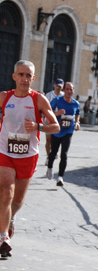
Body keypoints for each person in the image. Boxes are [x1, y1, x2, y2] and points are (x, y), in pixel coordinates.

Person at [0, 60, 60, 257]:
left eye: (28, 76)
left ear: (33, 79)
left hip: (28, 155)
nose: (25, 79)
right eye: (21, 75)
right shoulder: (4, 97)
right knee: (6, 192)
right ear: (14, 77)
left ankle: (9, 219)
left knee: (17, 200)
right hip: (5, 152)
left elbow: (56, 126)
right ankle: (3, 238)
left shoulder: (39, 100)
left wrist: (38, 127)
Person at [46, 81, 80, 187]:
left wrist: (77, 122)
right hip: (57, 131)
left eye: (71, 89)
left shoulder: (76, 103)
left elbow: (77, 114)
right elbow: (48, 112)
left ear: (73, 91)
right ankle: (50, 167)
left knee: (64, 154)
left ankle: (60, 177)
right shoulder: (57, 100)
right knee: (53, 153)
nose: (69, 91)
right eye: (67, 89)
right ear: (64, 90)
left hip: (68, 131)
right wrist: (57, 113)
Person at [45, 78, 64, 164]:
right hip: (48, 120)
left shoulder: (64, 96)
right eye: (57, 85)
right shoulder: (48, 95)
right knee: (48, 140)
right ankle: (48, 156)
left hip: (59, 121)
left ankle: (53, 153)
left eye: (60, 86)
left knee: (55, 140)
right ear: (54, 85)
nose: (58, 87)